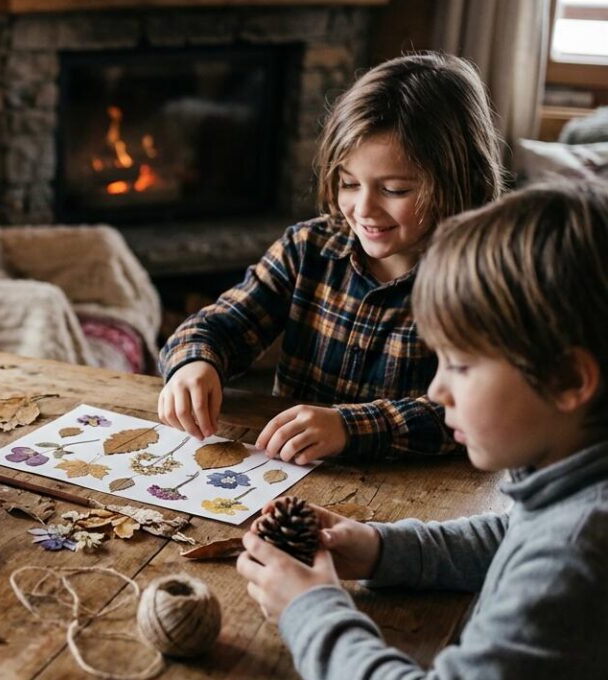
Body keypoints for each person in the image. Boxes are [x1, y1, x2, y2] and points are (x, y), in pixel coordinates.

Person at [236, 180, 608, 678]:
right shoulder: (574, 484)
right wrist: (380, 549)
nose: (436, 391)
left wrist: (311, 609)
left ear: (568, 380)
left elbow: (544, 555)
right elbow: (513, 533)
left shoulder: (572, 559)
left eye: (460, 365)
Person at [158, 52, 504, 463]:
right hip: (287, 477)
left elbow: (474, 411)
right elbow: (220, 325)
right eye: (349, 183)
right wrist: (194, 363)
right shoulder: (309, 248)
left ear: (457, 178)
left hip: (416, 495)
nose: (364, 209)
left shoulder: (483, 279)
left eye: (394, 190)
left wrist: (348, 427)